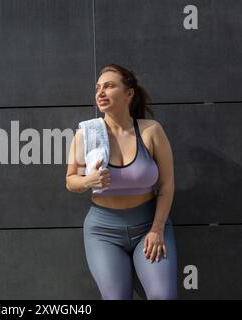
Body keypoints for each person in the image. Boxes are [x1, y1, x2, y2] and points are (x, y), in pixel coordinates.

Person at [65, 64, 178, 300]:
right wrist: (89, 181)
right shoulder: (86, 134)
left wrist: (157, 229)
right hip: (103, 232)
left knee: (163, 296)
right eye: (98, 88)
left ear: (129, 93)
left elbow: (166, 185)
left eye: (109, 86)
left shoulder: (151, 131)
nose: (100, 92)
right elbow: (70, 181)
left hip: (150, 225)